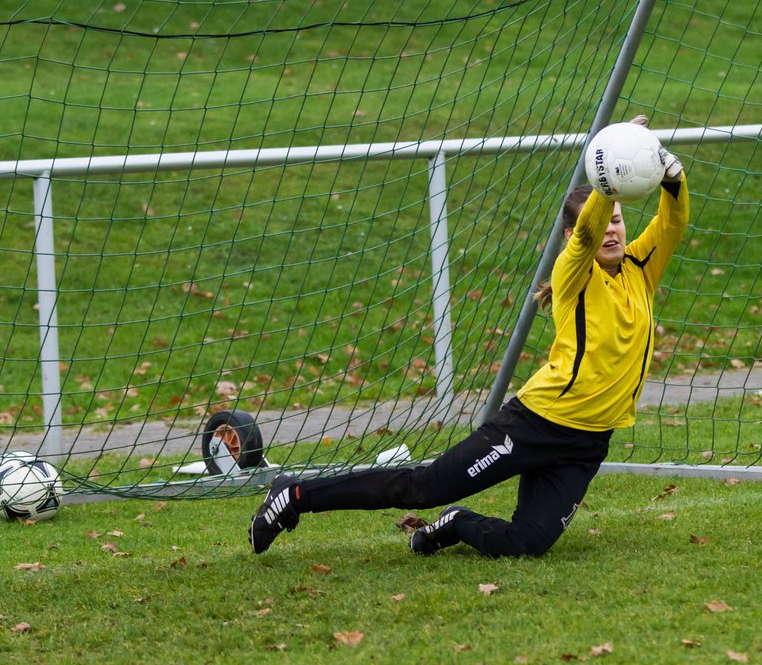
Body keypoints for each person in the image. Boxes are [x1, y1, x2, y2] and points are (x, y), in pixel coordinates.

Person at [249, 124, 688, 558]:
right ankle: (295, 495)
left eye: (618, 221)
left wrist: (673, 178)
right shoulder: (573, 272)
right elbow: (590, 230)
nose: (612, 230)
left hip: (587, 443)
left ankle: (456, 523)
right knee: (420, 489)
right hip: (536, 425)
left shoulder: (639, 268)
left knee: (528, 544)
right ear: (571, 237)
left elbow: (673, 222)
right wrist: (608, 175)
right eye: (604, 221)